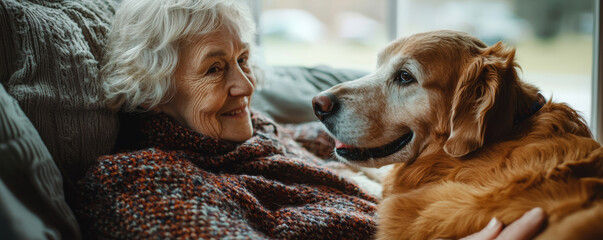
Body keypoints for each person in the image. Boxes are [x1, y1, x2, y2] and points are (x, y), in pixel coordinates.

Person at [76, 0, 545, 239]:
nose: (245, 85)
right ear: (152, 89)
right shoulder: (140, 181)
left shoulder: (255, 134)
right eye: (215, 69)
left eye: (243, 60)